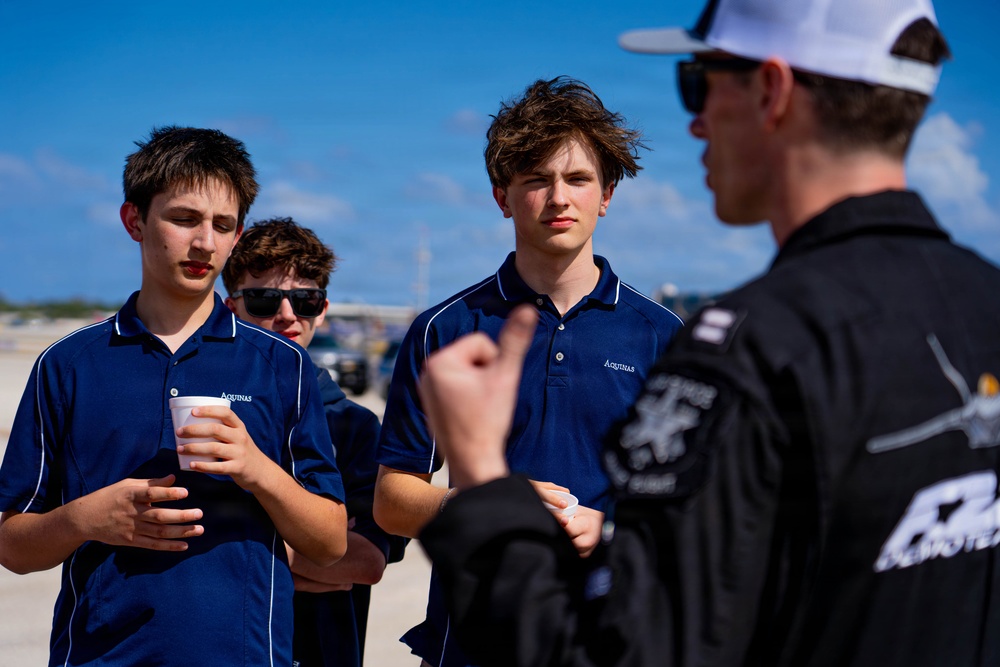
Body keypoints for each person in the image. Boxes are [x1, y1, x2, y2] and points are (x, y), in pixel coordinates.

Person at [416, 1, 1000, 665]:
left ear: (772, 91)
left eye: (698, 79)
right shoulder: (986, 307)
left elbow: (609, 651)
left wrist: (485, 483)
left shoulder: (750, 352)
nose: (694, 120)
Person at [0, 127, 348, 666]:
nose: (205, 242)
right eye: (184, 219)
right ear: (134, 220)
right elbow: (12, 546)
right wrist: (84, 519)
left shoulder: (283, 366)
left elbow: (330, 543)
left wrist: (257, 469)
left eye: (223, 225)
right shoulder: (67, 364)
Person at [374, 76, 684, 666]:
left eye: (577, 179)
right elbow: (391, 500)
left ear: (607, 193)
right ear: (502, 196)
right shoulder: (445, 328)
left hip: (616, 633)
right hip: (469, 637)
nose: (558, 198)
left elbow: (696, 505)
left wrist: (611, 530)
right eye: (536, 180)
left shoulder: (663, 335)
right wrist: (488, 506)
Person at [222, 217, 408, 667]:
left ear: (321, 310)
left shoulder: (355, 426)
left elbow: (364, 564)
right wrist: (317, 543)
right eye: (265, 298)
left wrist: (231, 549)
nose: (287, 314)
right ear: (232, 307)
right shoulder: (207, 413)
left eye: (304, 300)